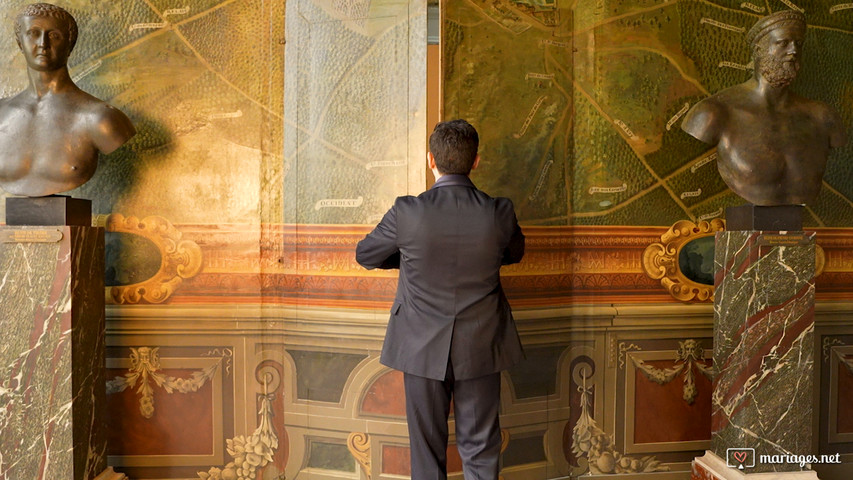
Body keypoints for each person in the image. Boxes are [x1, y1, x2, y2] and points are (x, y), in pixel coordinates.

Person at [356, 119, 525, 480]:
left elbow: (366, 255)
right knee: (480, 450)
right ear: (476, 161)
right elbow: (514, 254)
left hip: (419, 347)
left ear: (430, 159)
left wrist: (410, 257)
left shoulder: (407, 211)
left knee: (427, 452)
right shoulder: (500, 212)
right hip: (481, 345)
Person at [681, 9, 846, 206]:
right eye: (783, 43)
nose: (793, 51)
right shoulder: (713, 113)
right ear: (759, 50)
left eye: (798, 44)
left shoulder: (823, 118)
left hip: (795, 231)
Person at [0, 3, 136, 197]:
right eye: (33, 33)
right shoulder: (1, 113)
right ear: (20, 43)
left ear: (69, 44)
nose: (42, 44)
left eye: (54, 35)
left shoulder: (101, 119)